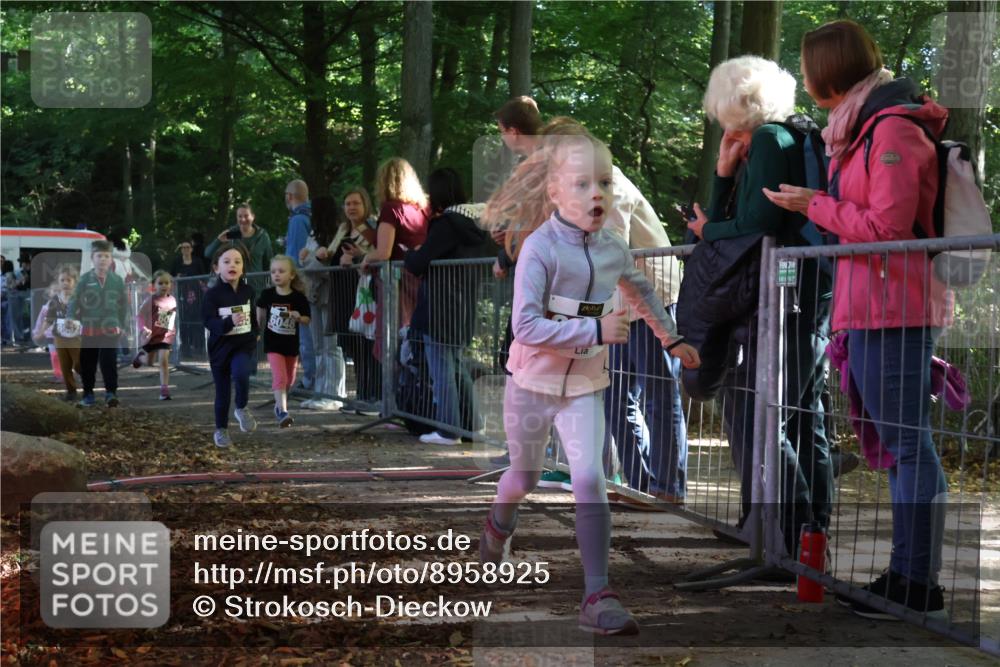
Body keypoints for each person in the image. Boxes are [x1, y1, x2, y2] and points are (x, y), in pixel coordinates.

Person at [479, 131, 700, 636]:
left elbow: (641, 291)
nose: (596, 194)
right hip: (531, 384)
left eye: (603, 182)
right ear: (555, 192)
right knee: (524, 479)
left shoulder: (612, 249)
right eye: (582, 184)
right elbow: (525, 327)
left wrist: (670, 339)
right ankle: (498, 525)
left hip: (583, 385)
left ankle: (597, 593)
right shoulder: (538, 249)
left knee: (589, 481)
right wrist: (595, 329)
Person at [764, 20, 950, 619]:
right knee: (902, 447)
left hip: (895, 309)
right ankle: (907, 577)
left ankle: (916, 583)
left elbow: (890, 229)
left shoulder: (892, 129)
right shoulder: (861, 131)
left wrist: (811, 203)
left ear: (825, 73)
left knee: (907, 447)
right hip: (871, 308)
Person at [682, 55, 835, 557]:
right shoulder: (772, 139)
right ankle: (796, 529)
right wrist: (724, 173)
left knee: (762, 411)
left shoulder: (771, 139)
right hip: (803, 291)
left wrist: (707, 231)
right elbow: (738, 214)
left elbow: (755, 224)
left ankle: (787, 532)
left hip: (788, 295)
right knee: (800, 411)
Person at [404, 168, 491, 445]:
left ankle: (448, 430)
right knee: (455, 366)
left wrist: (412, 255)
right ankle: (473, 426)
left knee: (443, 369)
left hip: (439, 308)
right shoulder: (478, 226)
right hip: (464, 306)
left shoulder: (446, 225)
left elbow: (418, 264)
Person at [360, 158, 430, 359]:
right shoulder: (424, 209)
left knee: (393, 339)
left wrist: (366, 257)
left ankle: (394, 389)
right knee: (417, 337)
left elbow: (384, 252)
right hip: (422, 279)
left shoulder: (391, 210)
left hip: (398, 283)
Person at [203, 242, 259, 447]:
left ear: (243, 267)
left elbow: (252, 315)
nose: (232, 265)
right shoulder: (212, 295)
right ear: (217, 268)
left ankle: (242, 408)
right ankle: (221, 430)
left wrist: (256, 333)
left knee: (242, 373)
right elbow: (208, 321)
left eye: (237, 261)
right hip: (220, 349)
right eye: (226, 261)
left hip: (242, 345)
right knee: (223, 392)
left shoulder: (248, 291)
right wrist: (227, 323)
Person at [298, 194, 346, 411]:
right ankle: (321, 391)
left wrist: (311, 259)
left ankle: (334, 394)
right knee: (319, 345)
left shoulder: (337, 233)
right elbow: (307, 260)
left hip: (329, 293)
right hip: (315, 293)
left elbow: (318, 262)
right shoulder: (314, 233)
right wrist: (311, 259)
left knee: (331, 346)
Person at [336, 187, 381, 415]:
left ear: (365, 205)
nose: (351, 207)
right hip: (346, 293)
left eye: (356, 203)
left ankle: (373, 396)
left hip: (368, 294)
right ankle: (362, 394)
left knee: (369, 343)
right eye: (347, 203)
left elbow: (378, 255)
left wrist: (357, 256)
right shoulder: (343, 230)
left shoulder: (372, 229)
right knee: (354, 345)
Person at [68, 240, 127, 407]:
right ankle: (88, 394)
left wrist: (123, 325)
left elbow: (124, 305)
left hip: (111, 326)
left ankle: (111, 393)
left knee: (109, 359)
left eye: (106, 256)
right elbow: (74, 300)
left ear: (111, 260)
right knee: (88, 361)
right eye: (99, 256)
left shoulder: (117, 280)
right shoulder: (85, 279)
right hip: (89, 326)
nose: (102, 259)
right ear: (92, 258)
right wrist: (70, 317)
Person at [257, 255, 311, 427]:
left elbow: (307, 319)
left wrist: (299, 317)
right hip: (273, 344)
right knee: (280, 377)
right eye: (273, 272)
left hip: (291, 345)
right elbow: (260, 307)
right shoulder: (267, 294)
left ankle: (280, 405)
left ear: (292, 275)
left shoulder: (298, 298)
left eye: (281, 271)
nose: (277, 275)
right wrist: (257, 326)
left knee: (289, 380)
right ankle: (283, 411)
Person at [284, 179, 316, 392]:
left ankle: (311, 379)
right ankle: (315, 378)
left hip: (303, 283)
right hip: (315, 280)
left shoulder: (297, 221)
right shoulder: (313, 216)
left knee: (307, 335)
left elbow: (294, 256)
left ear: (289, 196)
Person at [133, 270, 177, 400]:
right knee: (149, 362)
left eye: (166, 283)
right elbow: (139, 316)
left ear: (171, 285)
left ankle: (164, 389)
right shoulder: (151, 300)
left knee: (163, 360)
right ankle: (141, 358)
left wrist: (171, 330)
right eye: (160, 283)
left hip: (165, 336)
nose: (164, 286)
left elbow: (169, 317)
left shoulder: (172, 300)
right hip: (151, 336)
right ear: (154, 285)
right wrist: (144, 328)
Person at [42, 265, 82, 400]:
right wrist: (40, 331)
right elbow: (49, 318)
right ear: (58, 282)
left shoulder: (79, 298)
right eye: (62, 280)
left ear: (74, 282)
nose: (65, 283)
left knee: (79, 363)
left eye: (68, 280)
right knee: (64, 366)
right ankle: (71, 391)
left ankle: (86, 374)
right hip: (59, 336)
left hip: (76, 336)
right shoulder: (55, 300)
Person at [204, 204, 274, 274]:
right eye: (240, 216)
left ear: (253, 216)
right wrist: (218, 240)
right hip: (235, 282)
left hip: (256, 283)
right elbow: (208, 254)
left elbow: (268, 263)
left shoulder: (262, 236)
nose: (243, 219)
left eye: (246, 216)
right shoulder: (231, 234)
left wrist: (268, 282)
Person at [171, 238, 208, 359]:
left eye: (187, 247)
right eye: (183, 247)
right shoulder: (176, 262)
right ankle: (185, 347)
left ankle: (199, 347)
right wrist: (177, 277)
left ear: (191, 249)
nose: (185, 250)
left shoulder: (198, 261)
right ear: (180, 250)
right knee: (183, 322)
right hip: (182, 296)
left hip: (196, 296)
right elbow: (171, 277)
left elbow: (203, 278)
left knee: (197, 321)